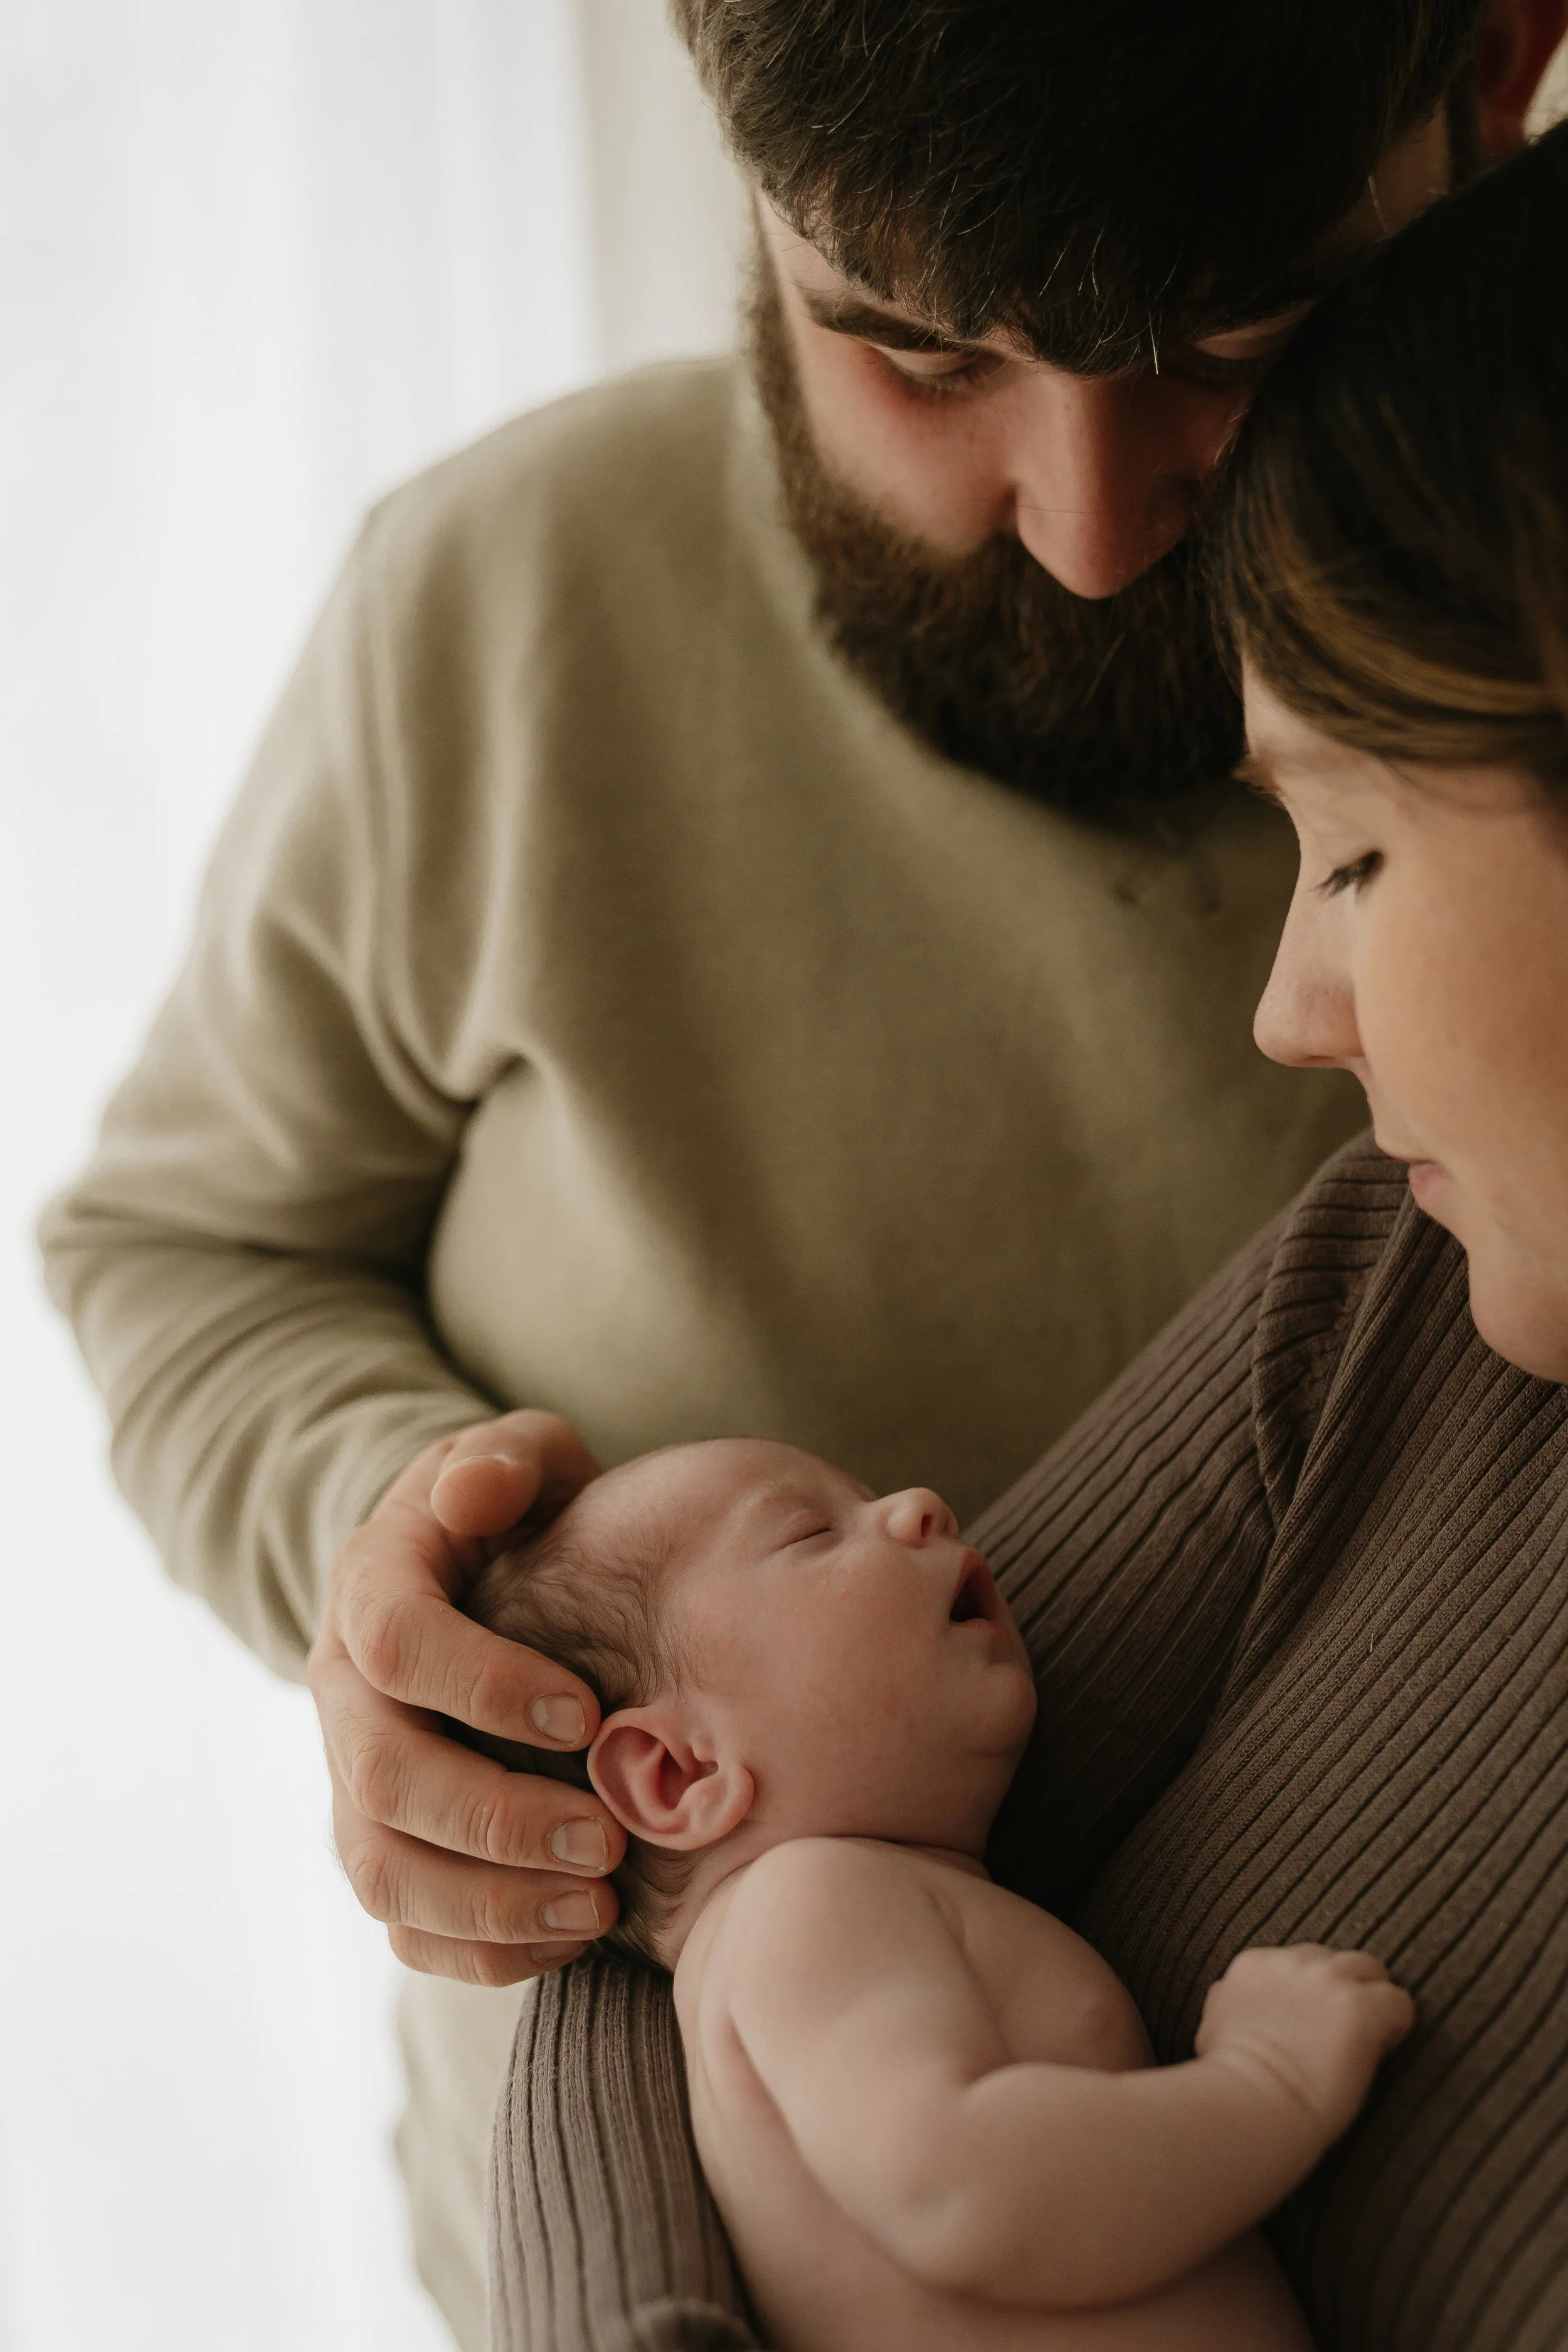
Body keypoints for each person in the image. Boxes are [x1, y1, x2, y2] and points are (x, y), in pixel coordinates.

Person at [36, 4, 1564, 2344]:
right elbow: (180, 1241)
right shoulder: (499, 605)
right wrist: (425, 1573)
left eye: (1226, 338)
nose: (1080, 529)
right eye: (917, 354)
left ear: (1501, 70)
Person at [493, 117, 1568, 2352]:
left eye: (1355, 856)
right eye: (908, 341)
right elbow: (668, 1943)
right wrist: (477, 1666)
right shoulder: (1393, 1293)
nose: (1284, 1015)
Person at [467, 1434, 1412, 2352]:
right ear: (679, 1771)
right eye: (812, 1533)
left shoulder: (836, 1915)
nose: (920, 1504)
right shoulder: (804, 1899)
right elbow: (955, 2188)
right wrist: (1270, 2081)